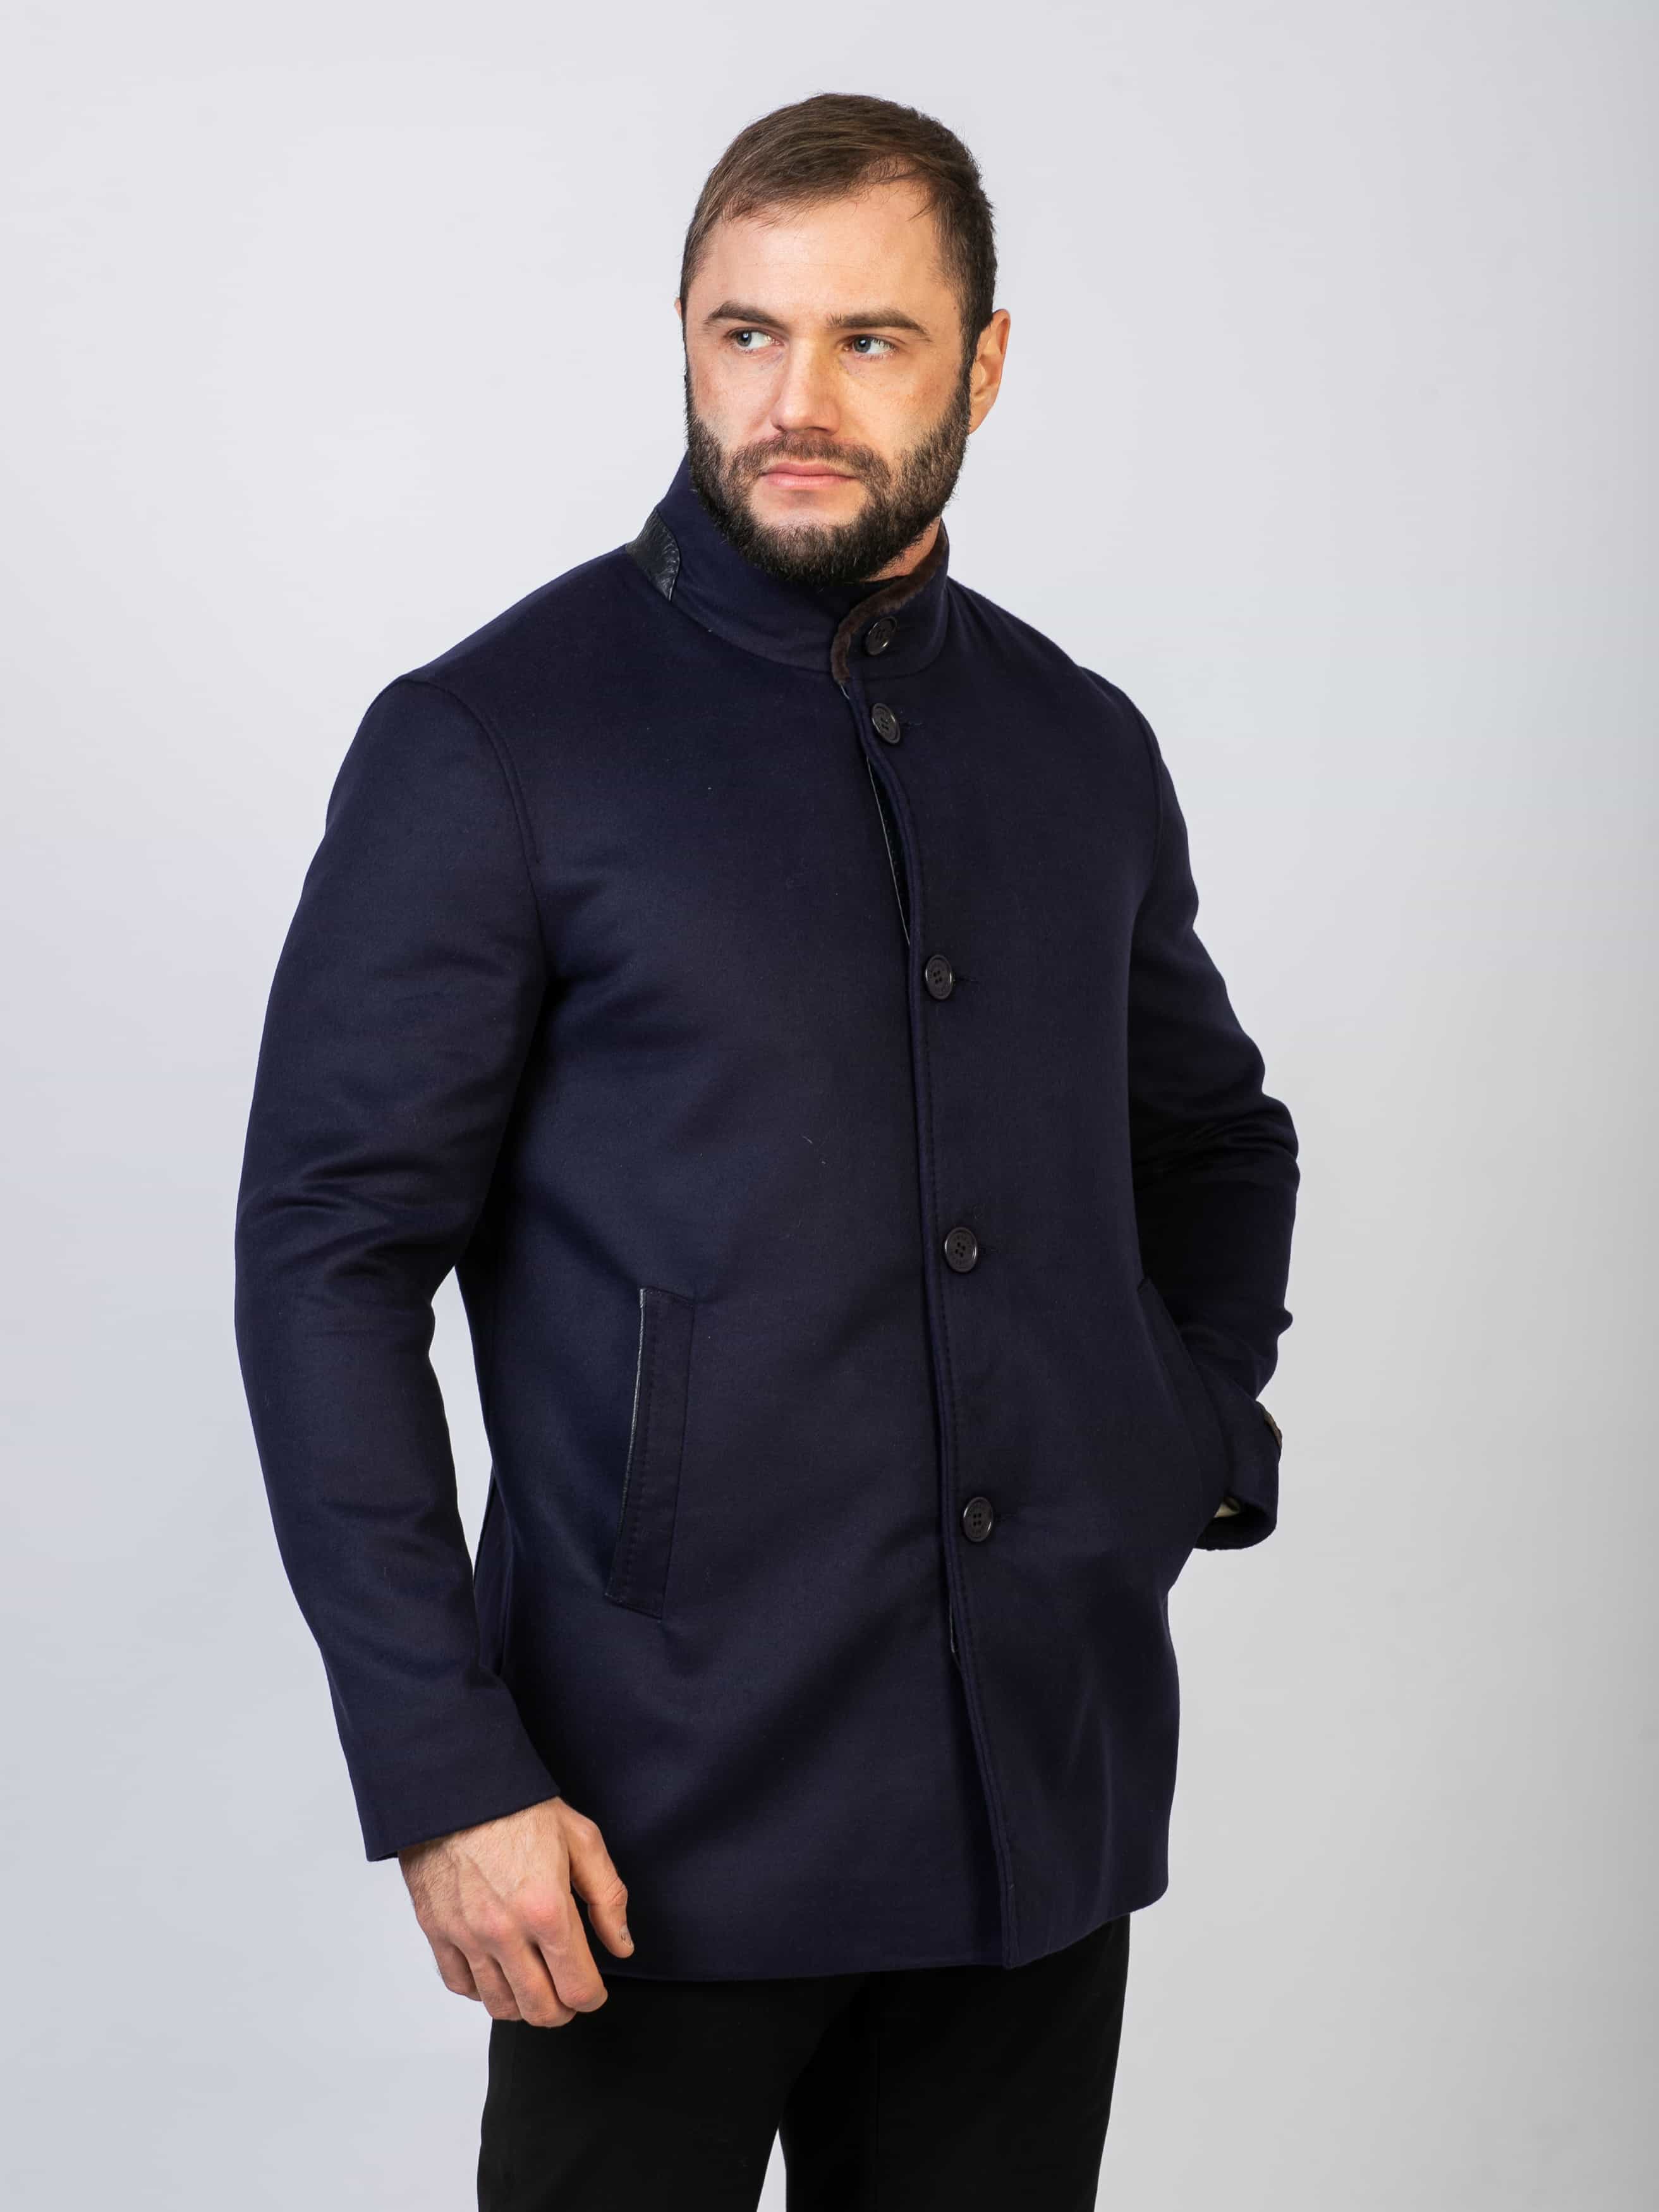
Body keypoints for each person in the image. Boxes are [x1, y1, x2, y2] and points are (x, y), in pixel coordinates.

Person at [234, 88, 1299, 2212]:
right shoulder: (493, 739)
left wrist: (1180, 1438)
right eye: (745, 334)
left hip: (1034, 1812)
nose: (793, 401)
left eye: (868, 339)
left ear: (983, 361)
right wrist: (444, 1768)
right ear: (686, 338)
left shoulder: (1075, 742)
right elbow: (327, 1261)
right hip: (640, 1829)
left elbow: (1211, 1133)